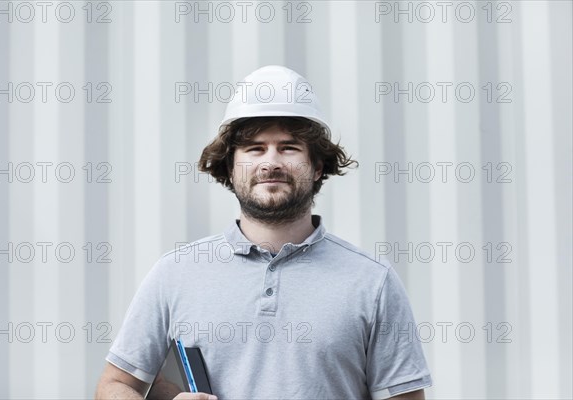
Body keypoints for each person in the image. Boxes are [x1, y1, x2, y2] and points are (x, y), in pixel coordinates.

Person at [95, 65, 432, 400]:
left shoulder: (373, 282)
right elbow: (114, 386)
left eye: (289, 147)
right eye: (255, 148)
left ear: (317, 167)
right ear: (230, 166)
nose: (270, 162)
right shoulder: (175, 273)